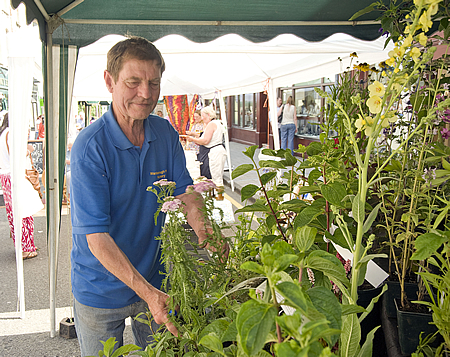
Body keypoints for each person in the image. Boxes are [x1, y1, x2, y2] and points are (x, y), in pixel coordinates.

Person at [70, 36, 227, 357]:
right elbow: (96, 237)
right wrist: (148, 293)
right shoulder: (90, 147)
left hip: (155, 276)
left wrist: (206, 232)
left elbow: (185, 193)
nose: (145, 93)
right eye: (133, 82)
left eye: (153, 83)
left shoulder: (164, 132)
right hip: (100, 289)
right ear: (109, 81)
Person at [0, 113, 42, 259]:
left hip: (6, 176)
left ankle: (22, 245)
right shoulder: (10, 134)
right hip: (15, 176)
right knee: (24, 212)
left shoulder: (3, 133)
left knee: (14, 213)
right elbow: (16, 157)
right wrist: (29, 150)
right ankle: (26, 247)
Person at [185, 106, 227, 200]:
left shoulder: (212, 124)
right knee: (216, 176)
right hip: (217, 151)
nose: (202, 118)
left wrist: (192, 139)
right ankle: (216, 197)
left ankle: (219, 198)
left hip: (215, 152)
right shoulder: (216, 123)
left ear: (208, 115)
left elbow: (205, 141)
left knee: (216, 177)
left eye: (203, 116)